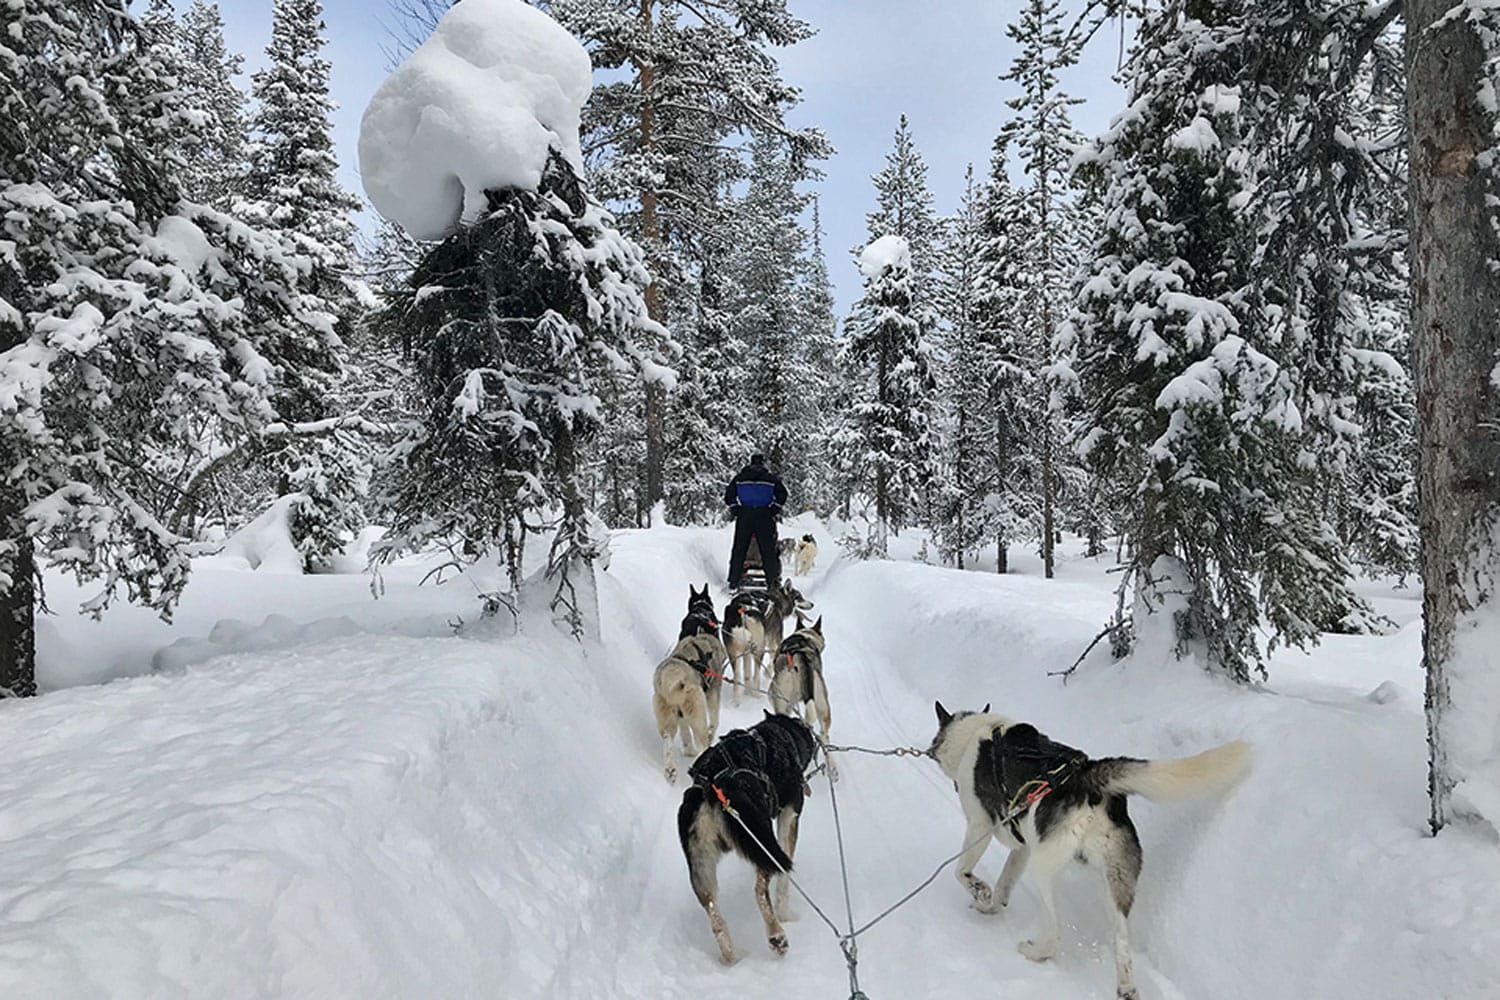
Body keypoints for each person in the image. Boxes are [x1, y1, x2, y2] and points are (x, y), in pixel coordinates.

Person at [725, 452, 788, 590]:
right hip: (764, 515)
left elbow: (729, 495)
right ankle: (772, 582)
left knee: (739, 548)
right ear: (762, 463)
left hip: (745, 515)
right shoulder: (771, 479)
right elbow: (782, 494)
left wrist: (736, 509)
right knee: (768, 551)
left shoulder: (740, 478)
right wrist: (773, 509)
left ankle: (734, 581)